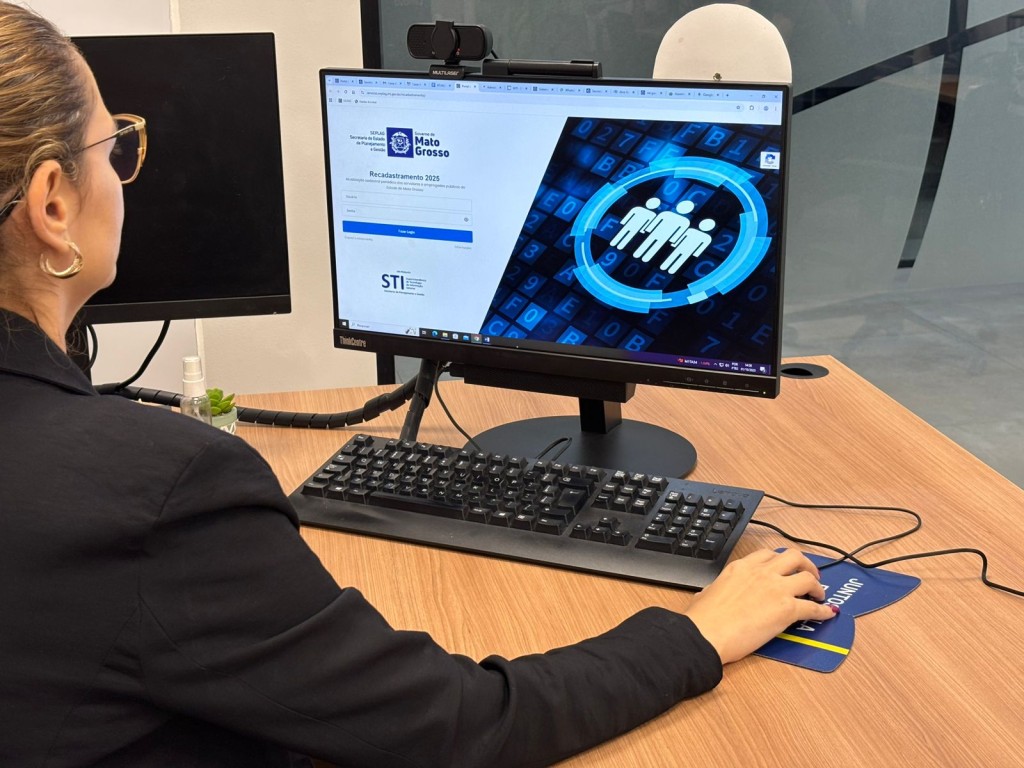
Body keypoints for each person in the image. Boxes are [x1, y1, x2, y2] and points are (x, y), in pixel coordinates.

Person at [0, 4, 836, 766]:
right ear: (53, 205)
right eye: (115, 149)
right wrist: (695, 637)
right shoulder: (159, 493)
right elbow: (457, 727)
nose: (125, 176)